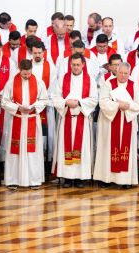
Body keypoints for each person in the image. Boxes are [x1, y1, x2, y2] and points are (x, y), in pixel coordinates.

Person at [52, 53, 98, 188]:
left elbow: (94, 99)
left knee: (82, 148)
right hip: (66, 117)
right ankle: (67, 177)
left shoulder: (90, 80)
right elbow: (55, 96)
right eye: (73, 64)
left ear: (83, 65)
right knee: (64, 147)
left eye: (78, 65)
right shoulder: (63, 79)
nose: (76, 67)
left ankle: (80, 178)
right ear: (70, 64)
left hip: (82, 119)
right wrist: (66, 101)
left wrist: (78, 103)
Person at [2, 59, 48, 190]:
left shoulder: (39, 82)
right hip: (17, 119)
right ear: (19, 69)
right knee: (15, 151)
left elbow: (44, 100)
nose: (27, 76)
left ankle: (34, 180)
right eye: (24, 74)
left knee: (33, 151)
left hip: (32, 119)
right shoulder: (11, 82)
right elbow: (4, 102)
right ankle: (13, 180)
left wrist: (34, 106)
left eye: (29, 74)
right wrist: (17, 108)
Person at [93, 62, 139, 189]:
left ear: (129, 73)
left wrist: (128, 106)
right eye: (121, 72)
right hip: (110, 124)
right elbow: (103, 102)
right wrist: (118, 105)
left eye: (126, 73)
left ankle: (125, 180)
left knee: (126, 151)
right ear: (116, 71)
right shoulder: (108, 84)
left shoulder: (134, 86)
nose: (123, 76)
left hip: (127, 122)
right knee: (107, 148)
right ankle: (105, 178)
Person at [31, 41, 57, 162]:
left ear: (44, 53)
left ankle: (47, 161)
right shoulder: (27, 66)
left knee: (48, 134)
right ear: (31, 53)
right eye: (35, 52)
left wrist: (43, 100)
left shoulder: (51, 67)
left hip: (46, 107)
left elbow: (53, 87)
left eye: (39, 53)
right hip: (30, 107)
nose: (37, 55)